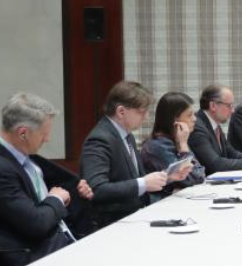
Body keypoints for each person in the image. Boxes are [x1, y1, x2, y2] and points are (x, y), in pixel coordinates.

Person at [0, 92, 93, 266]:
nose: (47, 139)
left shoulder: (24, 157)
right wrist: (56, 199)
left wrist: (76, 190)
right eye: (44, 134)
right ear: (23, 133)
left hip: (62, 239)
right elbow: (35, 224)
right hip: (33, 258)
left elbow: (53, 192)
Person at [81, 80, 190, 229]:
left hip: (134, 215)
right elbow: (97, 189)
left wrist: (168, 177)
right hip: (111, 223)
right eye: (141, 112)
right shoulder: (100, 139)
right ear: (121, 111)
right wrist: (144, 183)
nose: (145, 118)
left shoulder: (127, 135)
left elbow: (136, 177)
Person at [140, 92, 206, 201]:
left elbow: (200, 172)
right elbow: (194, 178)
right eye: (189, 115)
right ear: (174, 120)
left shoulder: (175, 139)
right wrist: (184, 146)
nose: (195, 119)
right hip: (158, 206)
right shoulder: (157, 146)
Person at [189, 84, 242, 173]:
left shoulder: (213, 123)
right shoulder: (197, 127)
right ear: (213, 105)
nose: (233, 111)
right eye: (229, 106)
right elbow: (215, 163)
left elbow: (228, 150)